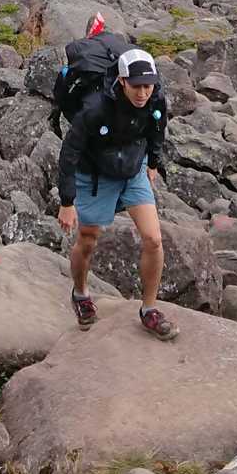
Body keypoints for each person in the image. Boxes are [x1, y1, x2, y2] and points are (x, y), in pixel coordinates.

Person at [56, 46, 178, 339]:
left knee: (153, 239)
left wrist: (153, 162)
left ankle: (149, 310)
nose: (143, 93)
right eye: (136, 86)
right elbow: (69, 152)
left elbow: (157, 128)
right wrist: (67, 202)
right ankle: (80, 294)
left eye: (148, 86)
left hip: (132, 168)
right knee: (88, 239)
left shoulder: (156, 98)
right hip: (95, 175)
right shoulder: (95, 109)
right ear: (122, 81)